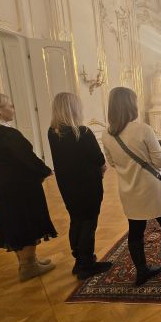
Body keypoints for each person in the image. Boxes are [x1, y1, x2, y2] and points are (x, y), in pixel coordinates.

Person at [102, 87, 161, 287]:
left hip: (127, 188)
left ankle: (142, 272)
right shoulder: (143, 129)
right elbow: (159, 161)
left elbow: (112, 163)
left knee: (135, 229)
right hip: (150, 188)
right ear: (130, 105)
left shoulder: (106, 134)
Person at [0, 92, 56, 281]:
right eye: (9, 106)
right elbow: (26, 158)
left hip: (3, 182)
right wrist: (46, 170)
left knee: (15, 222)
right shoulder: (7, 134)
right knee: (27, 221)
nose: (13, 109)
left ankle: (28, 262)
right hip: (21, 184)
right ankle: (29, 266)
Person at [48, 92, 112, 280]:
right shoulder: (83, 132)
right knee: (89, 223)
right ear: (74, 108)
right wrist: (102, 167)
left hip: (67, 184)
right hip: (87, 184)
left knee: (76, 220)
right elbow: (99, 158)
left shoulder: (52, 132)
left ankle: (79, 260)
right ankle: (87, 264)